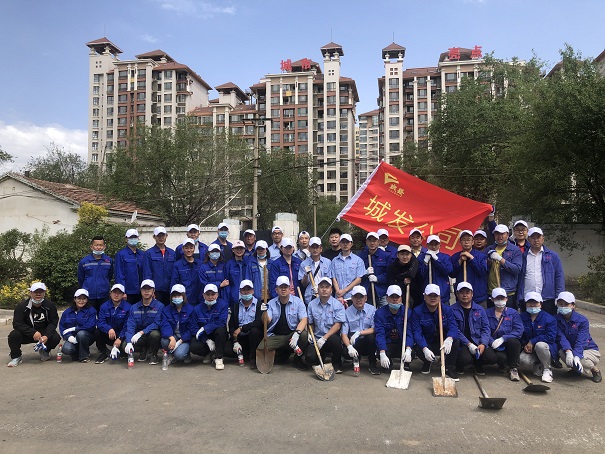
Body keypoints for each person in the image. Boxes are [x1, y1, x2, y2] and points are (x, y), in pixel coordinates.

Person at [411, 284, 460, 380]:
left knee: (455, 341)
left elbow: (453, 327)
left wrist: (449, 339)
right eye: (430, 295)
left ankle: (448, 368)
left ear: (439, 297)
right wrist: (424, 348)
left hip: (443, 344)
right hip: (427, 343)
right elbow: (417, 332)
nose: (433, 298)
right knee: (417, 345)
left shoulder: (447, 310)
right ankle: (427, 362)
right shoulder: (417, 311)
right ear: (424, 296)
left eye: (435, 295)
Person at [7, 282, 60, 367]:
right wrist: (32, 332)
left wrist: (46, 335)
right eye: (35, 292)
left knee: (55, 337)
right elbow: (17, 324)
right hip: (27, 333)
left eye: (41, 292)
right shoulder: (21, 306)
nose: (38, 294)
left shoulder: (50, 305)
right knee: (13, 336)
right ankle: (16, 356)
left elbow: (53, 322)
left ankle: (45, 351)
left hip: (43, 332)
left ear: (44, 293)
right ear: (31, 293)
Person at [262, 276, 309, 370]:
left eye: (285, 287)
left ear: (289, 289)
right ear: (276, 289)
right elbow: (266, 321)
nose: (283, 289)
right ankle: (283, 354)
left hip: (291, 336)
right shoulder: (270, 303)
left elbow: (304, 319)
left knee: (304, 335)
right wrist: (264, 312)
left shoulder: (298, 302)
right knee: (261, 348)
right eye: (281, 287)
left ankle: (297, 359)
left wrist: (297, 333)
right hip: (275, 336)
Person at [451, 282, 497, 376]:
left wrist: (483, 343)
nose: (465, 295)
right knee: (464, 359)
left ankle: (478, 364)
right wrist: (468, 344)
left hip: (477, 340)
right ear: (457, 294)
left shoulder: (480, 309)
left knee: (492, 358)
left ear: (472, 294)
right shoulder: (452, 310)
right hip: (462, 343)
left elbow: (486, 328)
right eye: (461, 292)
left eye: (467, 292)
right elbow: (455, 330)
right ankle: (460, 365)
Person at [555, 291, 601, 383]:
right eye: (561, 304)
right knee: (562, 352)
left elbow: (582, 340)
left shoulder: (582, 320)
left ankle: (595, 370)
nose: (563, 307)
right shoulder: (555, 319)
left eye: (566, 304)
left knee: (580, 359)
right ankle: (576, 370)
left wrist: (576, 355)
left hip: (588, 349)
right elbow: (560, 337)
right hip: (570, 348)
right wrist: (568, 351)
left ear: (573, 305)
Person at [517, 227, 565, 315]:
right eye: (533, 238)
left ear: (543, 239)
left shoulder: (553, 256)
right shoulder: (523, 256)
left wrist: (559, 296)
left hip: (547, 299)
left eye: (538, 237)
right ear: (528, 239)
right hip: (528, 298)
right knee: (528, 322)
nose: (536, 240)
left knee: (548, 322)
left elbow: (559, 276)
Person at [305, 277, 346, 373]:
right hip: (317, 339)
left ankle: (337, 362)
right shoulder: (311, 305)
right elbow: (311, 323)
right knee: (310, 358)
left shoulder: (337, 305)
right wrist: (310, 334)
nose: (324, 289)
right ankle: (321, 359)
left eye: (327, 287)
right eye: (322, 287)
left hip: (330, 338)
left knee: (335, 340)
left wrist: (324, 338)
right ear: (318, 289)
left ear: (331, 290)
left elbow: (338, 325)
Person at [374, 285, 414, 375]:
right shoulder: (380, 313)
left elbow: (409, 332)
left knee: (411, 351)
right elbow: (380, 334)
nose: (395, 299)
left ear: (401, 298)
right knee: (381, 352)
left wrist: (408, 349)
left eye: (397, 297)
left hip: (401, 344)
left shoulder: (407, 312)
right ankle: (388, 363)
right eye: (392, 297)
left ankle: (406, 364)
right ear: (387, 298)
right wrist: (382, 352)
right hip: (388, 344)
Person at [486, 288, 523, 381]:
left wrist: (503, 338)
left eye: (502, 298)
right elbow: (484, 330)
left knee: (514, 342)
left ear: (506, 299)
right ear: (492, 299)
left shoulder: (513, 313)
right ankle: (502, 365)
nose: (500, 301)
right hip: (493, 345)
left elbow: (519, 330)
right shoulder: (486, 313)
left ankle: (513, 368)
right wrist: (491, 341)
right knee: (495, 357)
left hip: (507, 345)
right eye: (497, 298)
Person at [519, 291, 558, 383]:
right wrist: (525, 345)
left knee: (540, 345)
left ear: (540, 304)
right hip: (530, 349)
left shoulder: (549, 319)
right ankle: (538, 364)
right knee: (523, 360)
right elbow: (519, 334)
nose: (532, 305)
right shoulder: (521, 317)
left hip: (546, 348)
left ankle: (547, 369)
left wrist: (532, 341)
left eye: (535, 302)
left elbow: (551, 337)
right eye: (530, 302)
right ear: (525, 304)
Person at [124, 279, 164, 365]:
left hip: (151, 334)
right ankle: (143, 350)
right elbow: (130, 325)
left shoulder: (160, 306)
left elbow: (157, 323)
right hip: (139, 336)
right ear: (140, 290)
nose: (146, 291)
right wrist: (129, 342)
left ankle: (154, 354)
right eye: (144, 289)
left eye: (149, 289)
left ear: (153, 291)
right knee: (124, 345)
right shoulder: (134, 307)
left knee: (155, 334)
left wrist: (142, 332)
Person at [189, 283, 229, 370]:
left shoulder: (223, 305)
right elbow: (193, 328)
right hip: (204, 336)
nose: (210, 297)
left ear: (217, 295)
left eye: (213, 294)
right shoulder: (197, 309)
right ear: (203, 295)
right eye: (208, 294)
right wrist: (206, 340)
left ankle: (218, 358)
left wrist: (205, 328)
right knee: (193, 346)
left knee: (221, 331)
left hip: (217, 335)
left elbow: (222, 322)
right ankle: (208, 353)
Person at [341, 286, 378, 375]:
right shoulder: (346, 312)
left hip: (367, 340)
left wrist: (360, 333)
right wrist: (349, 347)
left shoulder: (372, 309)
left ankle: (372, 363)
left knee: (371, 337)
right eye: (356, 297)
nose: (358, 300)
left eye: (361, 297)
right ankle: (355, 358)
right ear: (352, 298)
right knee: (345, 352)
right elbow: (344, 334)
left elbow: (374, 328)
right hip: (354, 342)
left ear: (365, 298)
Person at [228, 280, 263, 369]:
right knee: (225, 350)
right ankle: (244, 353)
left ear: (253, 291)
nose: (246, 292)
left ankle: (253, 358)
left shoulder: (259, 304)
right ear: (240, 291)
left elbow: (258, 322)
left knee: (255, 331)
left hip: (253, 337)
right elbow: (231, 324)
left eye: (248, 289)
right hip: (240, 337)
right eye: (243, 290)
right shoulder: (236, 306)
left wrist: (242, 328)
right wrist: (235, 341)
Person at [486, 224, 523, 309]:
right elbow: (484, 270)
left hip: (508, 293)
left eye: (502, 234)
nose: (500, 236)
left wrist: (500, 259)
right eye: (497, 234)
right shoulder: (489, 249)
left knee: (508, 316)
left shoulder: (515, 250)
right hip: (492, 292)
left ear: (507, 235)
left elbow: (516, 269)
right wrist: (488, 262)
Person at [450, 230, 489, 307]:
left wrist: (471, 258)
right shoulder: (455, 257)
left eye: (468, 240)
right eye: (464, 240)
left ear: (472, 242)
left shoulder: (481, 256)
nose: (466, 242)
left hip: (478, 297)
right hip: (461, 296)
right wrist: (460, 261)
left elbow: (483, 272)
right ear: (460, 242)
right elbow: (452, 274)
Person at [94, 284, 131, 364]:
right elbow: (100, 322)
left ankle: (122, 351)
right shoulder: (104, 306)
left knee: (124, 350)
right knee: (97, 331)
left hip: (122, 335)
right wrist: (109, 329)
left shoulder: (128, 307)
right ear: (110, 293)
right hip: (109, 334)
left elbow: (128, 325)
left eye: (119, 293)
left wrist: (120, 338)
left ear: (123, 295)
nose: (116, 295)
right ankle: (104, 352)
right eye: (114, 292)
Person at [59, 289, 97, 363]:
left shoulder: (91, 311)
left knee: (81, 334)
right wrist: (68, 336)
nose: (81, 301)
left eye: (84, 298)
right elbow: (62, 327)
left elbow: (91, 326)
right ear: (75, 299)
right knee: (66, 349)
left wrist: (75, 329)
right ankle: (76, 353)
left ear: (87, 300)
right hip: (72, 337)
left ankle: (84, 356)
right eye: (79, 298)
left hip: (87, 336)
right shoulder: (67, 312)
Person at [77, 235, 114, 311]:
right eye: (96, 245)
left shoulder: (108, 261)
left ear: (104, 247)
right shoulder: (84, 261)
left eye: (101, 245)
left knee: (104, 316)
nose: (99, 247)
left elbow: (109, 276)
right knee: (89, 316)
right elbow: (80, 278)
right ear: (91, 247)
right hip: (88, 296)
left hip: (104, 296)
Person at [160, 284, 194, 365]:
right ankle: (170, 355)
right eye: (174, 296)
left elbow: (191, 328)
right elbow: (164, 325)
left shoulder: (191, 309)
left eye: (179, 295)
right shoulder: (166, 310)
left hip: (185, 338)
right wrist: (171, 338)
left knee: (179, 355)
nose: (176, 298)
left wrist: (180, 341)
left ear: (184, 296)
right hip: (174, 336)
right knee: (164, 341)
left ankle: (186, 355)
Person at [329, 234, 366, 307]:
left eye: (347, 242)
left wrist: (345, 290)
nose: (345, 244)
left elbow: (358, 279)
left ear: (351, 244)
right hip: (339, 298)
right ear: (340, 244)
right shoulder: (334, 261)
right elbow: (334, 278)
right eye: (343, 242)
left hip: (353, 297)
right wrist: (339, 293)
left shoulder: (358, 260)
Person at [143, 226, 176, 305]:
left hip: (169, 290)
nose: (161, 238)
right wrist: (150, 290)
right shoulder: (149, 253)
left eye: (163, 235)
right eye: (158, 236)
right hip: (156, 290)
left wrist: (174, 289)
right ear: (154, 237)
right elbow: (147, 273)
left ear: (166, 236)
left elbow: (175, 273)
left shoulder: (172, 253)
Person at [357, 232, 390, 307]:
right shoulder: (360, 256)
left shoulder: (385, 256)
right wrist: (365, 273)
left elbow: (389, 273)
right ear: (366, 242)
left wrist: (378, 278)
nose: (372, 243)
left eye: (374, 241)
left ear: (378, 242)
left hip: (382, 291)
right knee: (368, 312)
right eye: (370, 240)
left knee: (384, 311)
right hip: (366, 291)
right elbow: (356, 274)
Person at [418, 235, 453, 305]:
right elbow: (420, 275)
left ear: (440, 245)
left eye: (436, 244)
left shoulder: (445, 257)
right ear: (427, 245)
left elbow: (448, 271)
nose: (433, 247)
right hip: (427, 295)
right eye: (431, 244)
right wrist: (425, 262)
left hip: (442, 295)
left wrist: (437, 260)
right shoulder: (421, 257)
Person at [114, 228, 144, 304]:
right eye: (131, 237)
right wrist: (122, 291)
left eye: (135, 237)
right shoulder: (121, 254)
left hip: (141, 291)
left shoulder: (142, 254)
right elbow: (119, 274)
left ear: (138, 238)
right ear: (126, 239)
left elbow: (146, 272)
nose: (133, 239)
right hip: (128, 292)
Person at [299, 236, 331, 305]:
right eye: (313, 247)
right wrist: (306, 274)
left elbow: (330, 281)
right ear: (309, 248)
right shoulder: (304, 264)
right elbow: (303, 284)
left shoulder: (328, 262)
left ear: (321, 249)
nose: (315, 249)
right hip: (311, 296)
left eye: (317, 247)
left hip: (324, 295)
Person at [171, 238, 202, 306]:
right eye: (186, 248)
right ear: (183, 249)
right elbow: (174, 283)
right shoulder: (177, 265)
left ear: (194, 249)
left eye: (191, 248)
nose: (189, 250)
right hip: (183, 300)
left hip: (199, 300)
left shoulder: (200, 264)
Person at [225, 240, 249, 310]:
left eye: (241, 248)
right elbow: (226, 283)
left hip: (247, 296)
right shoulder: (229, 265)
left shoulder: (248, 264)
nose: (239, 250)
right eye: (237, 248)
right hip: (234, 298)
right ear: (233, 250)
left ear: (244, 250)